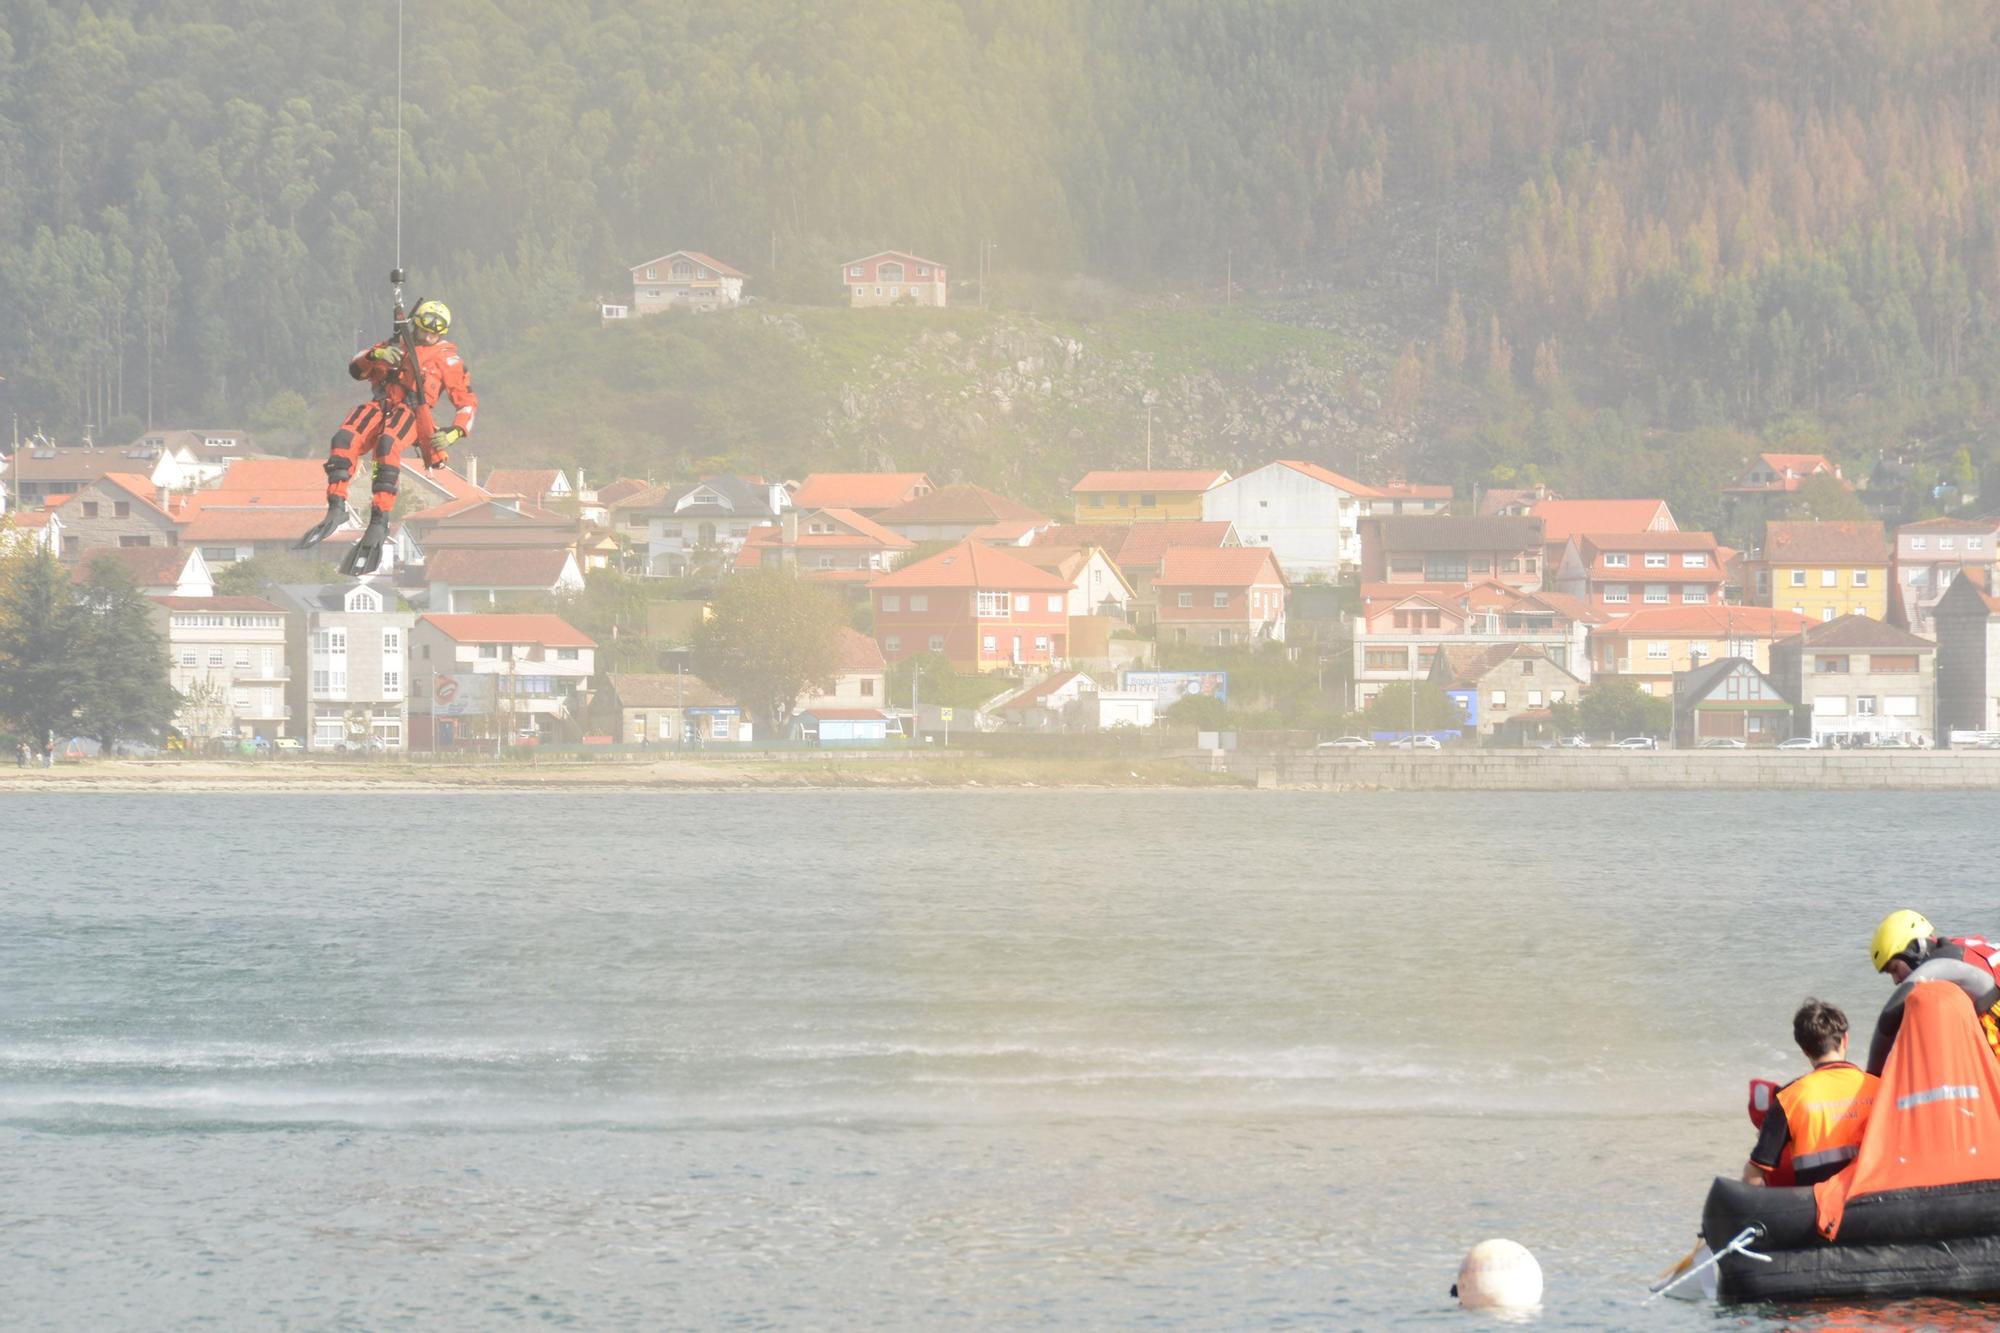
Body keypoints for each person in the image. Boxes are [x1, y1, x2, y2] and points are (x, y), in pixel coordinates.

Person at [297, 296, 478, 571]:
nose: (428, 335)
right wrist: (376, 355)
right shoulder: (394, 345)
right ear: (415, 325)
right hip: (380, 404)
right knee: (343, 439)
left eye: (435, 332)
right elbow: (355, 368)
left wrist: (455, 432)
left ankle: (379, 519)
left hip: (412, 413)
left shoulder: (448, 360)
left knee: (387, 445)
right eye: (424, 329)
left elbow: (467, 403)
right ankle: (337, 503)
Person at [1744, 999, 1879, 1187]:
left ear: (1805, 1051)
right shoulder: (1880, 1088)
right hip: (1874, 1201)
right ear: (1845, 1039)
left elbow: (1754, 1174)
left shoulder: (1788, 1099)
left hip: (1815, 1209)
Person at [1864, 909, 2000, 1075]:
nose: (1896, 980)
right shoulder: (1960, 947)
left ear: (1916, 949)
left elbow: (1890, 1014)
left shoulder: (1948, 959)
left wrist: (1872, 1076)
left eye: (1895, 969)